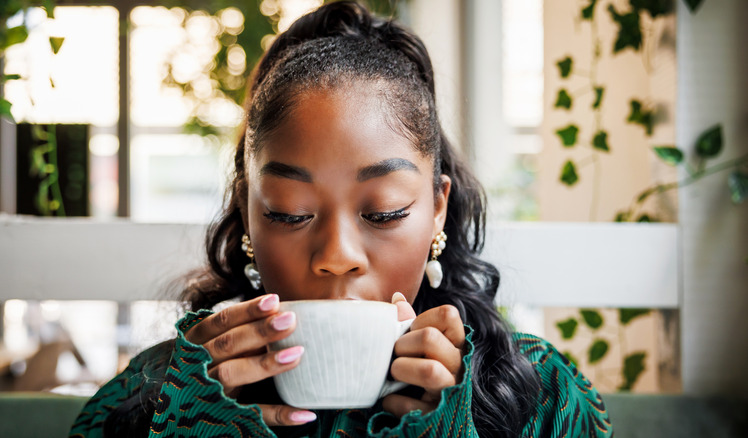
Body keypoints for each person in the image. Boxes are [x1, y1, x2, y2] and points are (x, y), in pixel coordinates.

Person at [70, 2, 612, 437]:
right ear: (246, 215)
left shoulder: (538, 397)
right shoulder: (154, 397)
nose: (336, 256)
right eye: (290, 213)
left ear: (437, 208)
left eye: (384, 212)